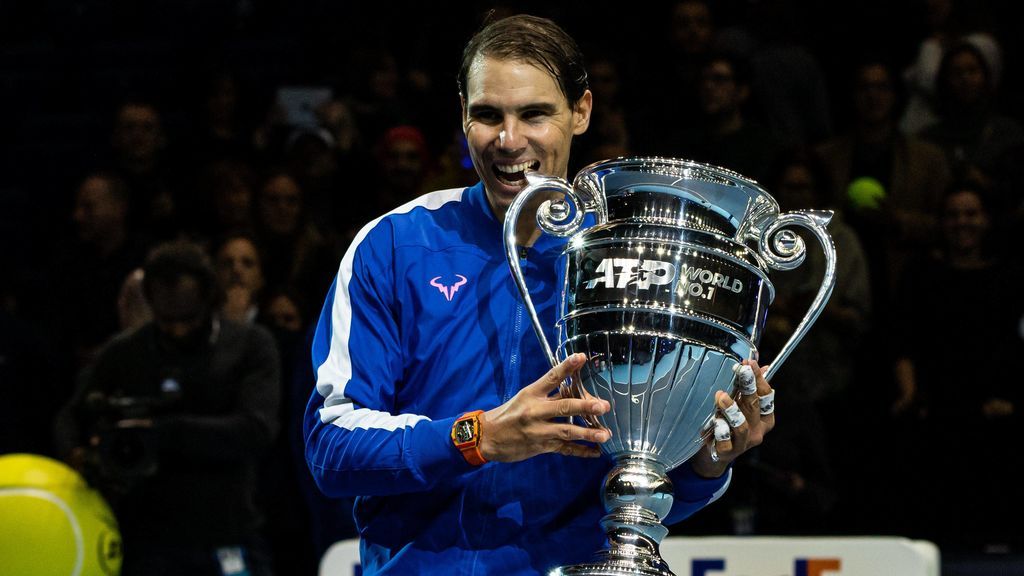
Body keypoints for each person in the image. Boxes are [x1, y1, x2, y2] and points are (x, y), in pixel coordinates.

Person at [304, 14, 776, 575]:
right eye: (487, 115)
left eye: (534, 114)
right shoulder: (396, 245)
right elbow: (333, 448)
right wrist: (479, 438)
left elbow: (644, 468)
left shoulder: (636, 259)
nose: (509, 141)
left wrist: (705, 462)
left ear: (581, 112)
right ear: (462, 114)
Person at [54, 240, 281, 576]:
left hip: (227, 527)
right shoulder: (126, 352)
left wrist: (162, 432)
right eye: (165, 318)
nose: (176, 328)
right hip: (147, 536)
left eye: (187, 317)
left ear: (208, 299)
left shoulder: (250, 345)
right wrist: (77, 453)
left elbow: (257, 430)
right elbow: (70, 416)